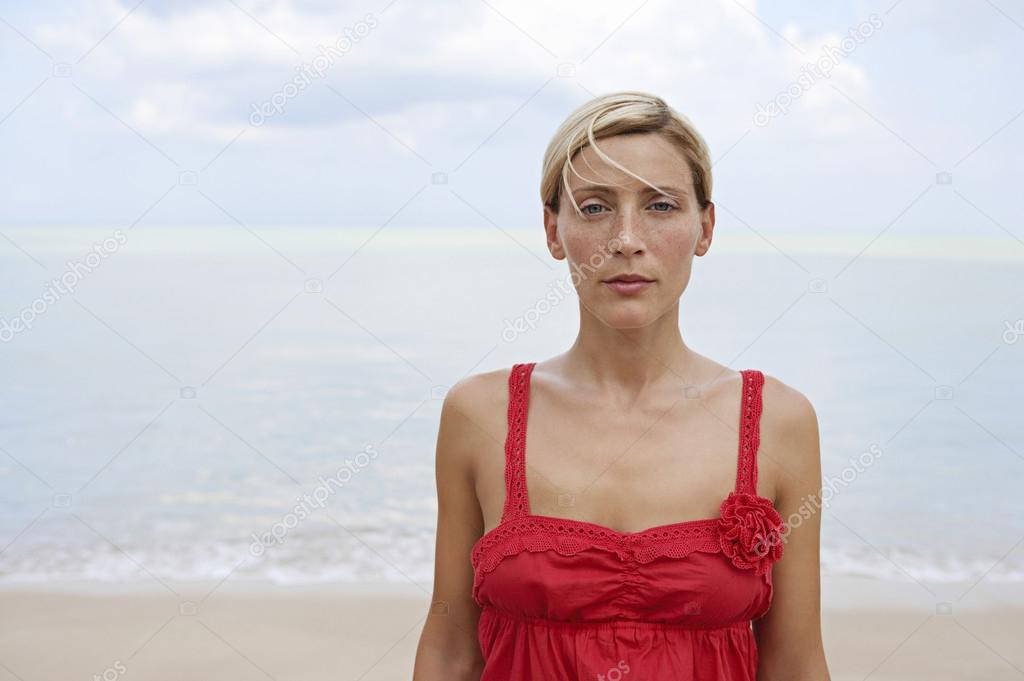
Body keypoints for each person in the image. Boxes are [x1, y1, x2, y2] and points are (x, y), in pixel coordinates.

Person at [413, 91, 830, 680]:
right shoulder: (479, 413)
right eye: (594, 208)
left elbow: (796, 663)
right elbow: (450, 648)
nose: (626, 239)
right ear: (553, 230)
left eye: (660, 206)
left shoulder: (778, 423)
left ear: (704, 228)